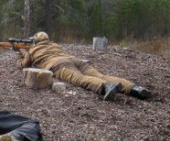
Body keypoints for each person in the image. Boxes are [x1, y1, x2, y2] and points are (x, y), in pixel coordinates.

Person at [17, 31, 152, 101]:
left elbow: (24, 65)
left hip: (58, 65)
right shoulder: (54, 44)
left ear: (35, 41)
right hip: (75, 60)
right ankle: (135, 88)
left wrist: (20, 54)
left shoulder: (32, 50)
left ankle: (105, 87)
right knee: (101, 75)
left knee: (80, 79)